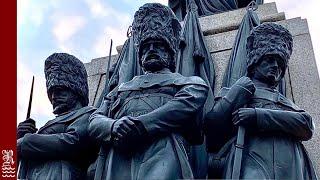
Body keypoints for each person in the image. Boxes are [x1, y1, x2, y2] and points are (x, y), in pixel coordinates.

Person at [88, 3, 208, 179]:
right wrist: (113, 126)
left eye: (158, 45)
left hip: (163, 155)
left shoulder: (190, 84)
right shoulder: (119, 91)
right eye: (146, 46)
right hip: (119, 160)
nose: (151, 50)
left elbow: (184, 105)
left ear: (170, 52)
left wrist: (139, 126)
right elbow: (94, 120)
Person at [205, 22, 317, 179]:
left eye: (280, 63)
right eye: (270, 59)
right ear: (255, 61)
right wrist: (235, 95)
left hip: (290, 165)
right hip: (250, 159)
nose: (275, 66)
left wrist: (257, 116)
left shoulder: (283, 101)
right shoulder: (232, 92)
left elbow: (306, 124)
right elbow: (211, 132)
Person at [17, 53, 98, 179]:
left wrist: (26, 142)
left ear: (76, 91)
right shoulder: (47, 126)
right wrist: (18, 137)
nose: (54, 97)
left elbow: (73, 142)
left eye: (60, 90)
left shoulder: (87, 114)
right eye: (51, 92)